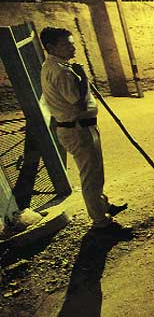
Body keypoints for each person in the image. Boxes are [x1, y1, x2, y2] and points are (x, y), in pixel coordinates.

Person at [39, 27, 130, 236]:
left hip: (81, 127)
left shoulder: (57, 66)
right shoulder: (61, 71)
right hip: (77, 130)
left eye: (72, 43)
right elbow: (77, 103)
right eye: (66, 44)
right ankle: (100, 221)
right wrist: (83, 79)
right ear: (51, 47)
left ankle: (102, 206)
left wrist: (79, 76)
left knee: (95, 172)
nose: (72, 47)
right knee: (91, 175)